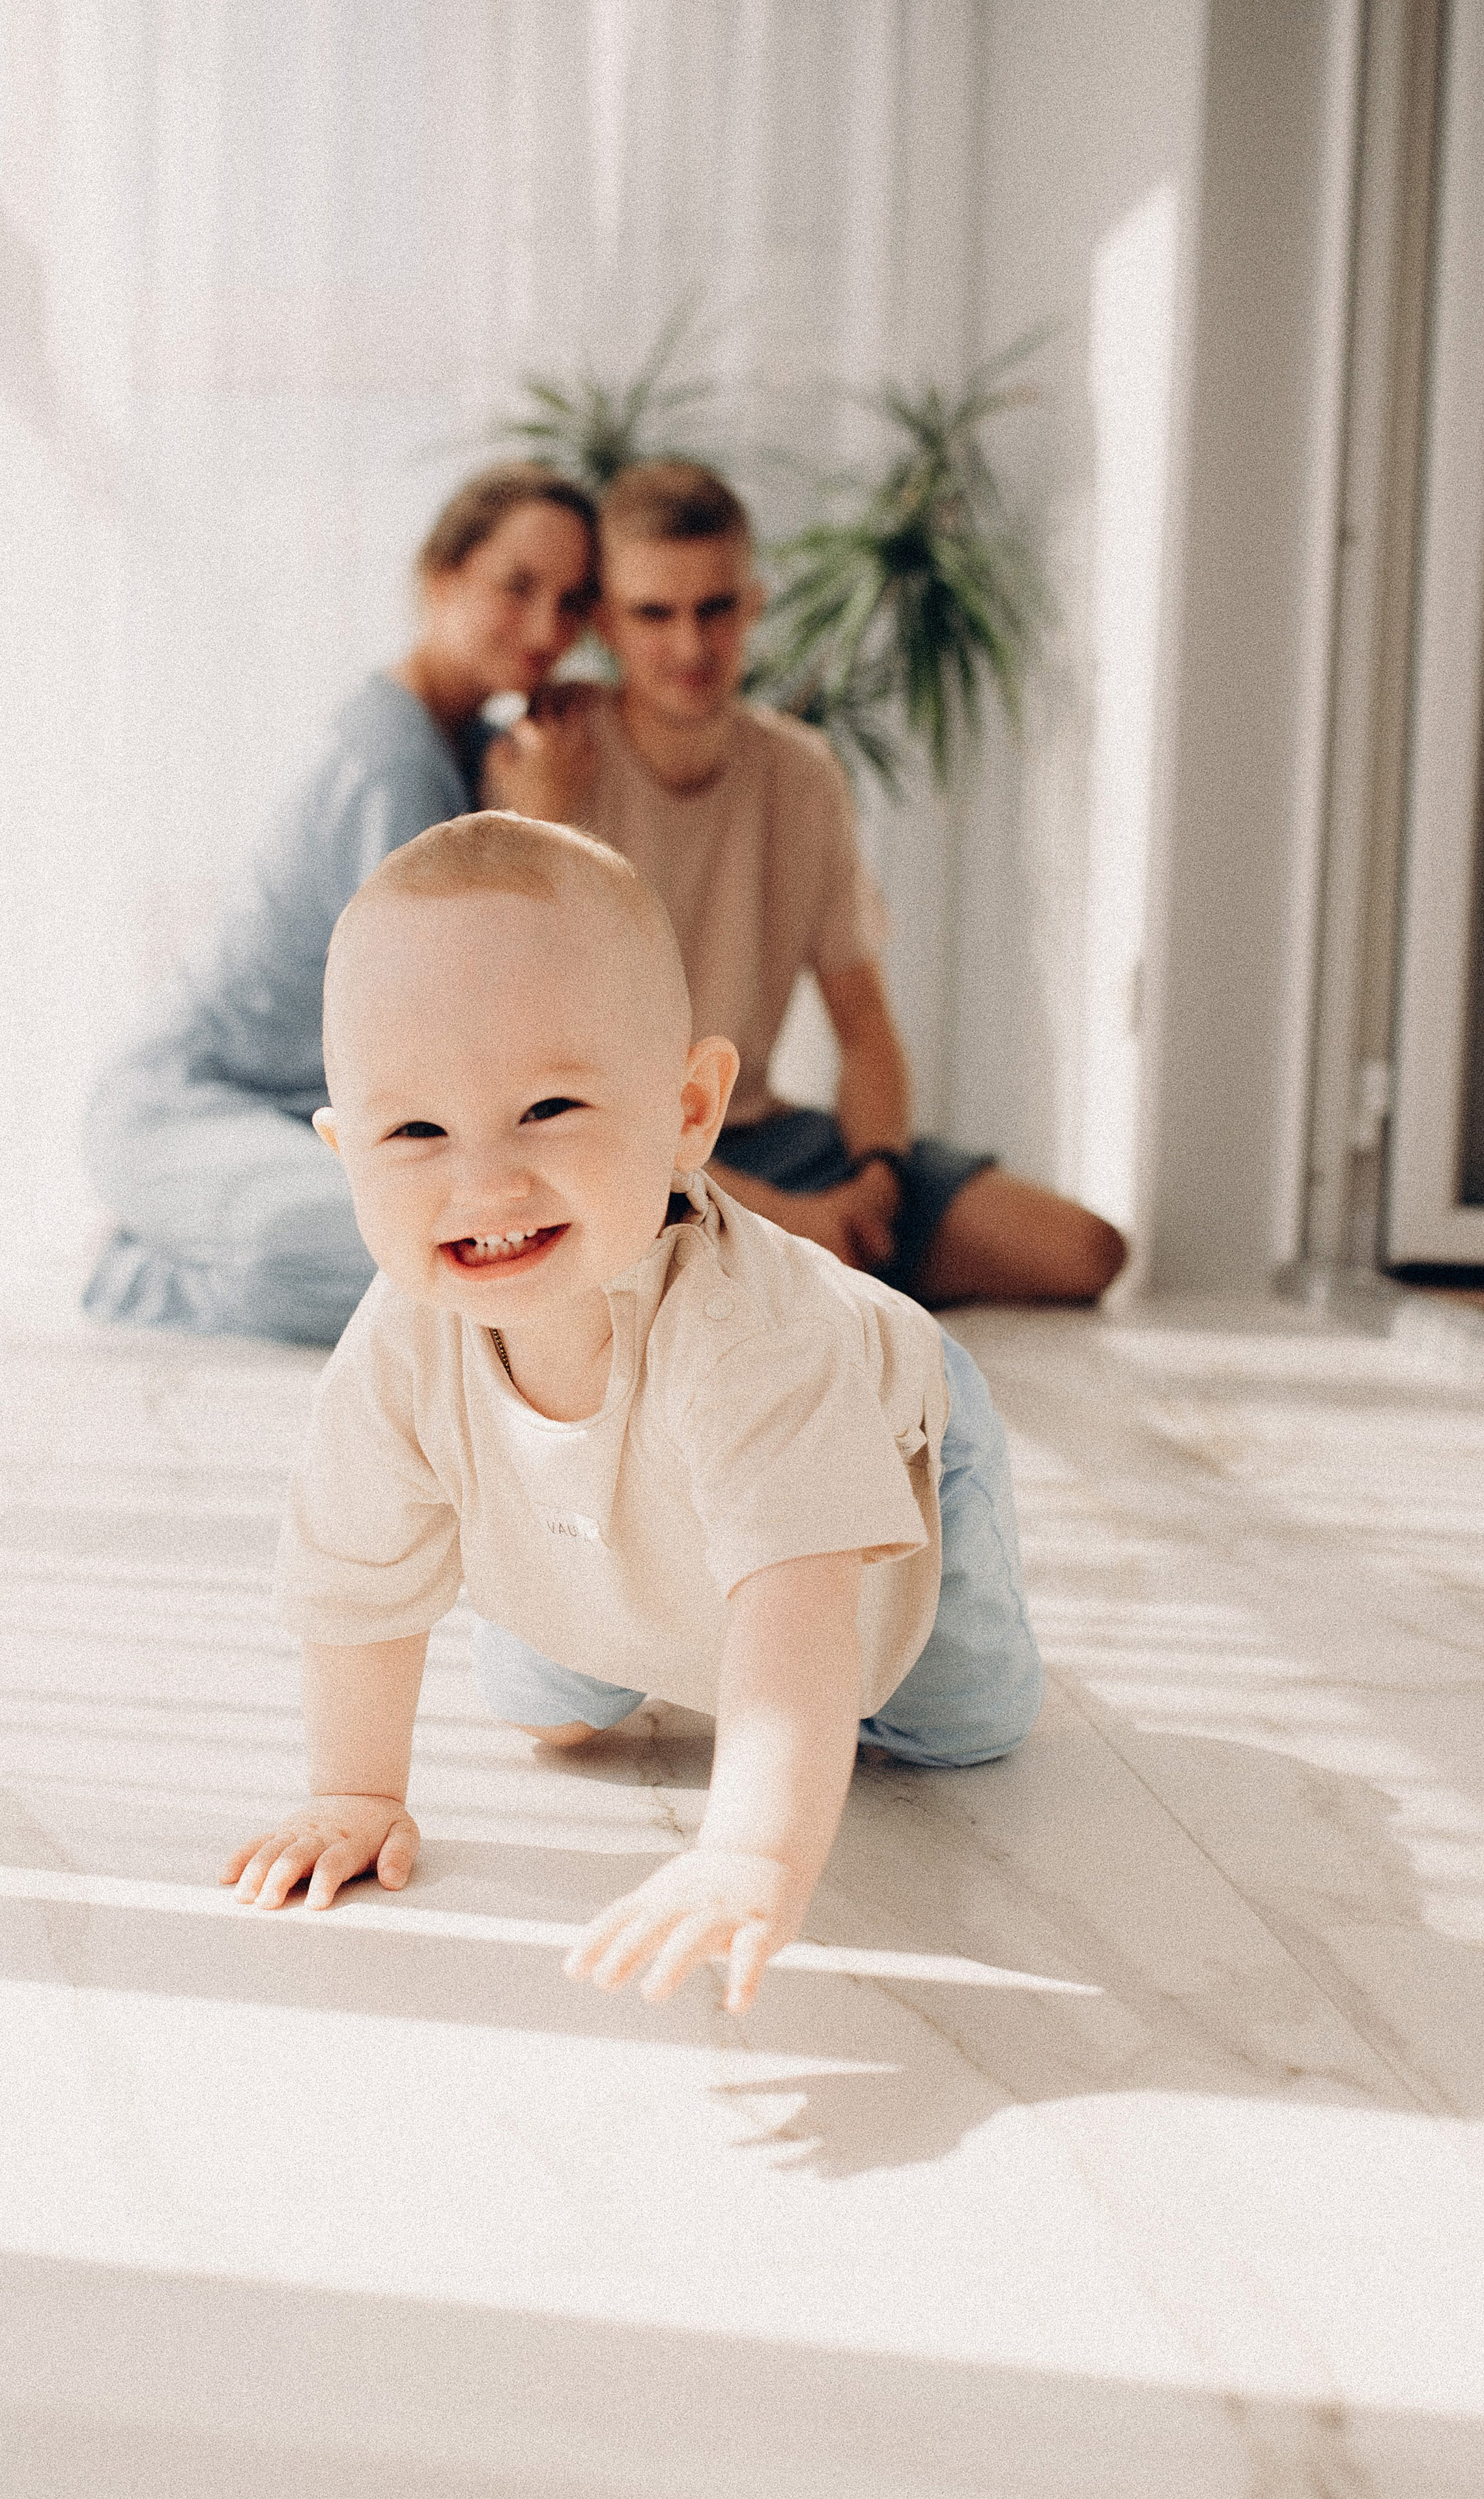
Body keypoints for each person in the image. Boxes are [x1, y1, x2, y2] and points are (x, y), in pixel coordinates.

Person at [224, 812, 1042, 2015]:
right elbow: (356, 1579)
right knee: (545, 1708)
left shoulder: (749, 1336)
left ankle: (904, 1625)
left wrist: (750, 1852)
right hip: (615, 1518)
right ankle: (628, 1621)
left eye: (549, 1107)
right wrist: (356, 1791)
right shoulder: (397, 1345)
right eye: (416, 1132)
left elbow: (799, 1613)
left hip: (894, 1441)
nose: (483, 1181)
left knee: (942, 1723)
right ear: (348, 1154)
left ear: (689, 1111)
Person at [483, 459, 1127, 1307]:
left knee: (1084, 1254)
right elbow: (532, 1069)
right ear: (605, 621)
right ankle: (780, 1260)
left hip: (763, 1135)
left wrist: (875, 1177)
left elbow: (863, 1022)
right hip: (624, 1155)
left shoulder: (802, 773)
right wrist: (785, 1216)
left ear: (754, 603)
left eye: (716, 607)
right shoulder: (548, 763)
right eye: (654, 614)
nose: (691, 646)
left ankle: (792, 1264)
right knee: (655, 1238)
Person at [81, 463, 599, 1343]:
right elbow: (458, 1023)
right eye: (517, 586)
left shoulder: (473, 742)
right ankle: (135, 1277)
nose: (548, 627)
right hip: (185, 1106)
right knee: (422, 1266)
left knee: (498, 1256)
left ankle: (212, 1228)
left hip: (287, 1126)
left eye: (573, 599)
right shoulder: (396, 763)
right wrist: (537, 825)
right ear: (443, 576)